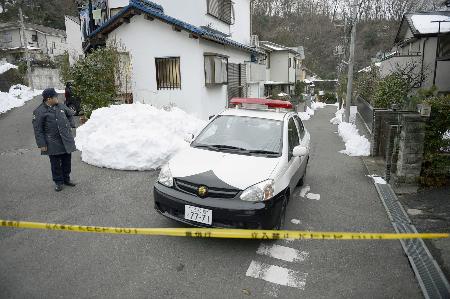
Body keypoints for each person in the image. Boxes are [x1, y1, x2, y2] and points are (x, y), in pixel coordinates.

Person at [32, 88, 77, 192]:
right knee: (55, 164)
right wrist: (42, 144)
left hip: (65, 140)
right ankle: (58, 182)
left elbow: (69, 114)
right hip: (52, 142)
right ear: (49, 99)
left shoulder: (60, 105)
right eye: (55, 96)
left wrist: (71, 125)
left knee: (67, 161)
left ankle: (66, 179)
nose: (58, 98)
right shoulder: (39, 111)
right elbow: (38, 130)